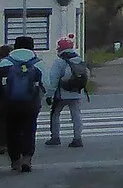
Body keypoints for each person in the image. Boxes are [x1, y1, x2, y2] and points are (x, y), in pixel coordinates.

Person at [1, 37, 45, 173]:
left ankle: (15, 160)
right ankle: (27, 158)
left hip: (9, 104)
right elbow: (47, 83)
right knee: (29, 129)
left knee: (11, 130)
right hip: (30, 104)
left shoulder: (5, 62)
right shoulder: (38, 63)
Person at [46, 36, 87, 149]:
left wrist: (49, 95)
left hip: (62, 93)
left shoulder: (59, 61)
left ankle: (55, 137)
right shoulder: (79, 59)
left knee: (55, 114)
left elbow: (54, 79)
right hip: (77, 92)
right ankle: (77, 138)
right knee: (76, 115)